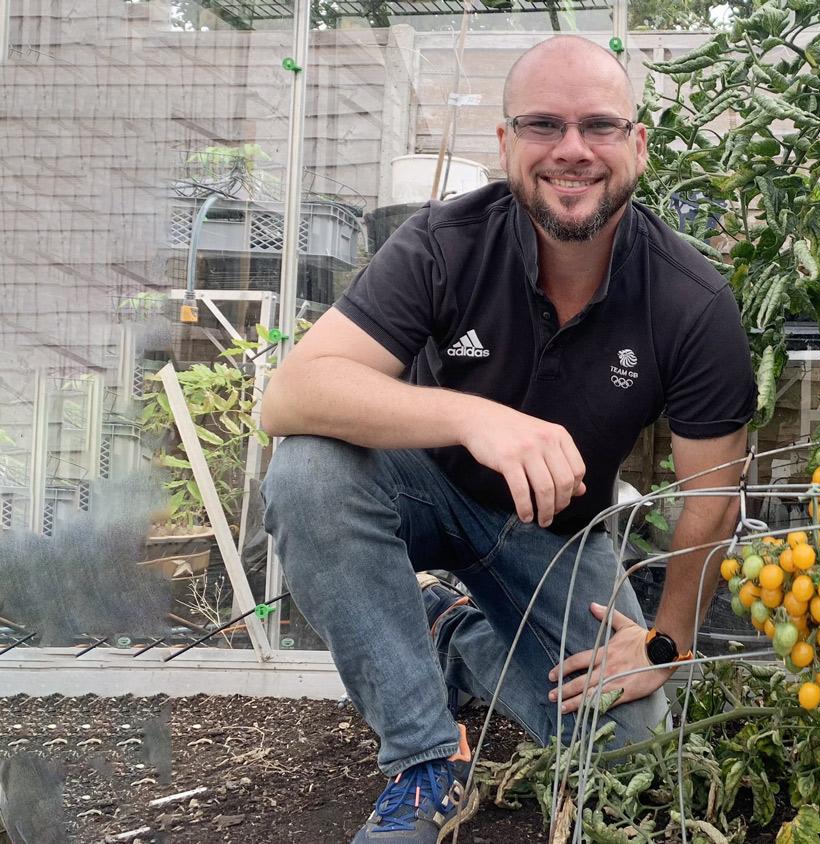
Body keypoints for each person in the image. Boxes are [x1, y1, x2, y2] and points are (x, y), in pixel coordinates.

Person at [259, 35, 755, 844]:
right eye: (542, 125)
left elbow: (712, 498)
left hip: (558, 538)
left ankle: (450, 637)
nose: (571, 150)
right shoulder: (443, 244)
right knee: (308, 471)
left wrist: (667, 642)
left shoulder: (691, 302)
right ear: (505, 144)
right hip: (423, 488)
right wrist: (474, 418)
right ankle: (424, 763)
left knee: (630, 759)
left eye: (599, 125)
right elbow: (291, 395)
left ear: (637, 145)